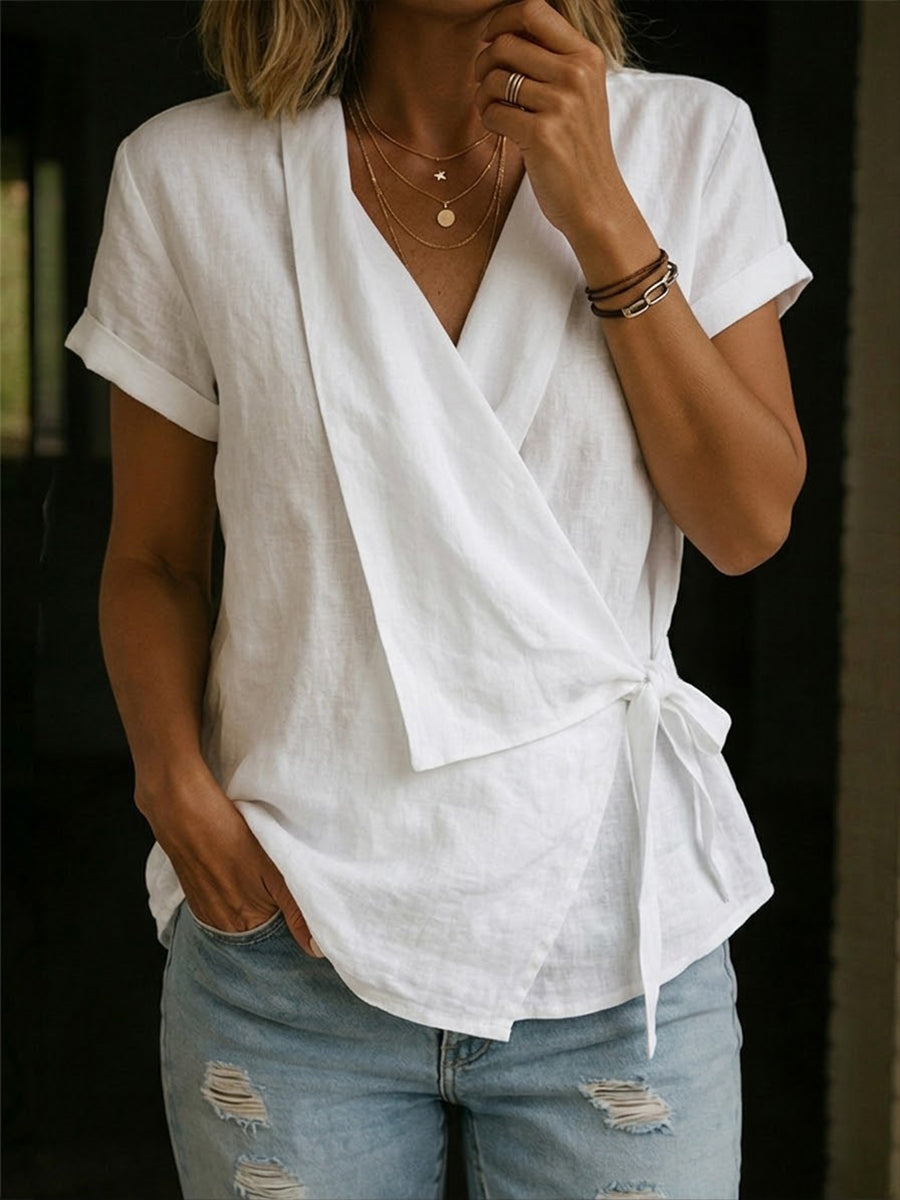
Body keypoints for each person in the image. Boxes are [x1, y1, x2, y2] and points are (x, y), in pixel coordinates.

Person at [64, 1, 811, 1196]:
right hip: (290, 943)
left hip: (615, 947)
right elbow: (156, 557)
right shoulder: (189, 174)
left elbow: (747, 524)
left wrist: (600, 208)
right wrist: (173, 789)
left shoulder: (688, 141)